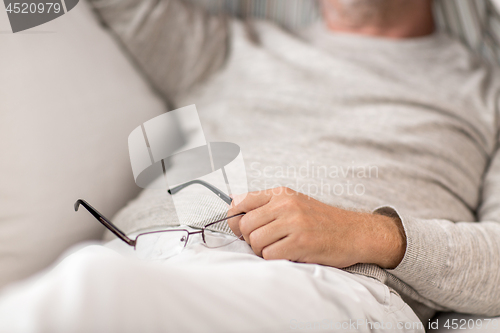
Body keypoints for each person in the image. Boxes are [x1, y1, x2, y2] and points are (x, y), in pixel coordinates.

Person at [0, 0, 498, 332]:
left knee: (80, 298)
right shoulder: (221, 49)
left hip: (327, 290)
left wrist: (365, 235)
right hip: (143, 256)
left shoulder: (487, 94)